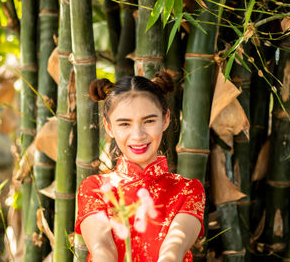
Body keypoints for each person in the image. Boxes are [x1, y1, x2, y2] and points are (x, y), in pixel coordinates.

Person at [75, 71, 206, 262]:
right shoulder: (95, 188)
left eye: (149, 121)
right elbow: (103, 251)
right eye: (125, 124)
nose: (138, 135)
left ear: (166, 119)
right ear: (109, 127)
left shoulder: (188, 190)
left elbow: (172, 253)